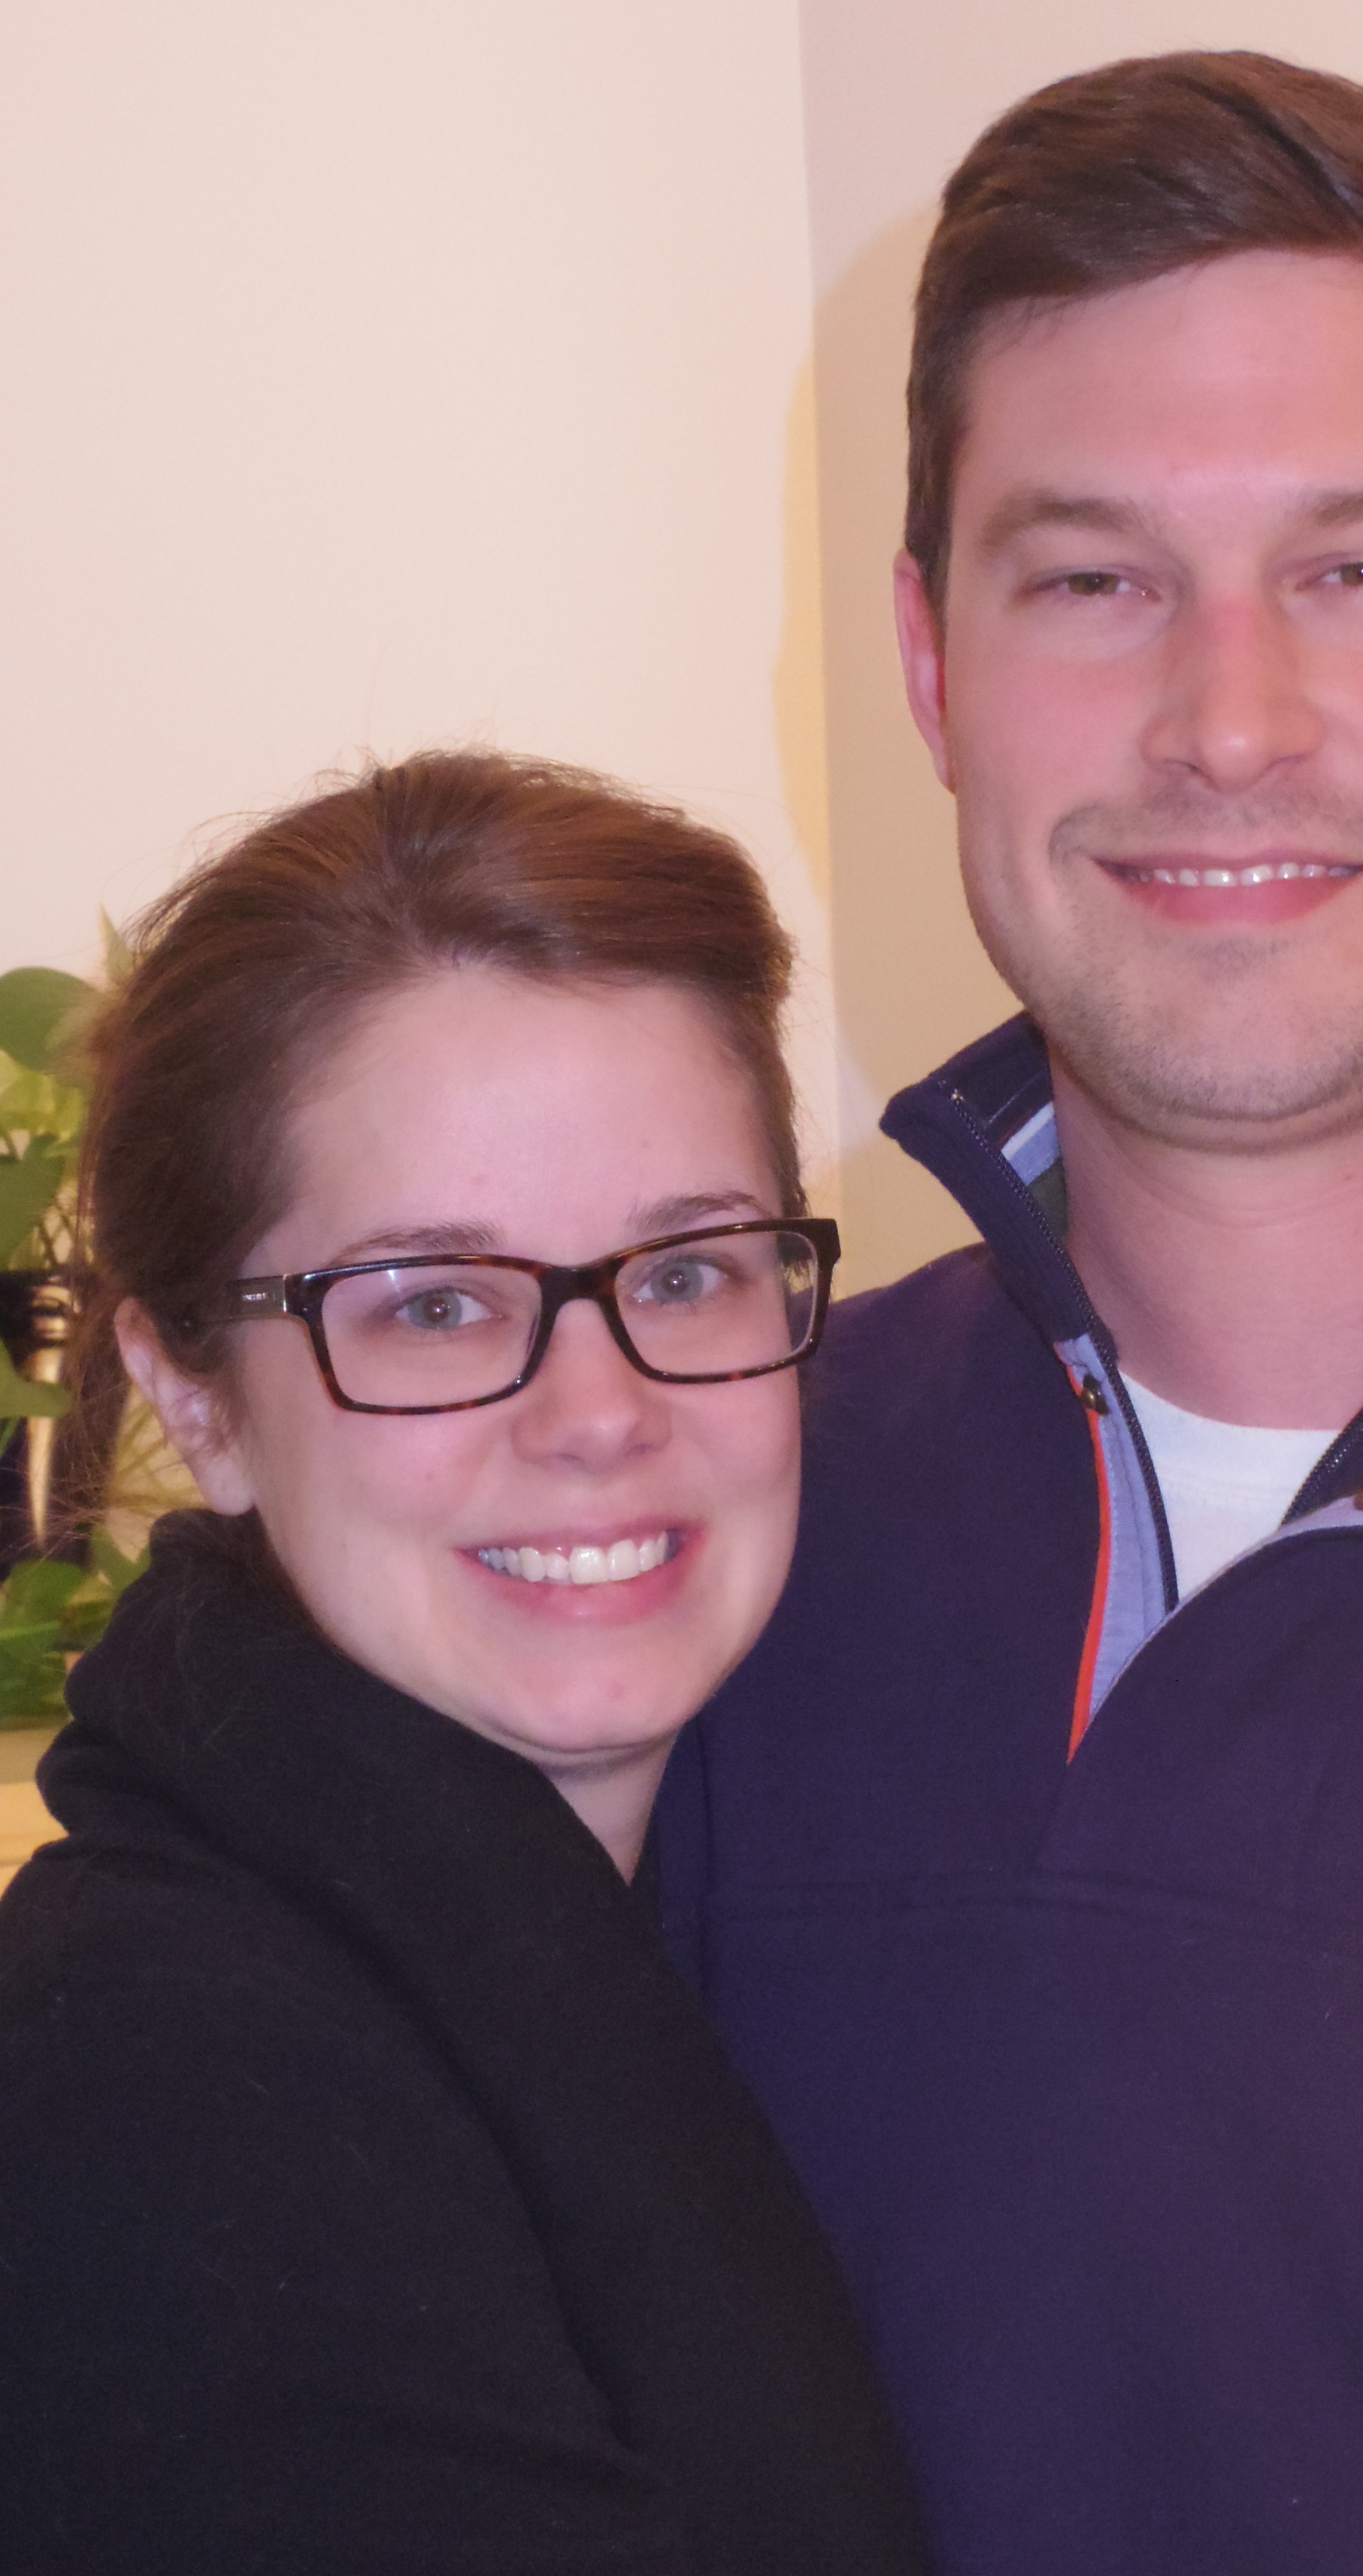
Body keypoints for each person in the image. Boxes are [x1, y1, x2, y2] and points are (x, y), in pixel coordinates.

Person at [659, 51, 1363, 2576]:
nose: (1227, 719)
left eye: (1359, 569)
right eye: (1089, 580)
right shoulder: (704, 1512)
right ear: (928, 667)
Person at [0, 752, 931, 2576]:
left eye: (686, 1272)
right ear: (198, 1395)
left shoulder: (727, 1927)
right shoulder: (167, 2085)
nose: (599, 1411)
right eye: (435, 1303)